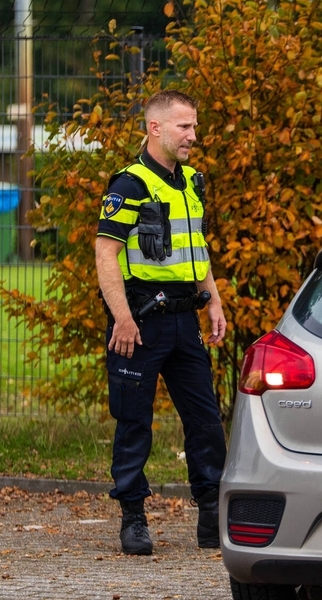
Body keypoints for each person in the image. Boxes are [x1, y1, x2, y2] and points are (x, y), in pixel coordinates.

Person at [95, 89, 228, 556]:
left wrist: (212, 300)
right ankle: (133, 517)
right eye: (184, 127)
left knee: (206, 420)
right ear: (155, 129)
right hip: (141, 319)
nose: (193, 135)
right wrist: (123, 318)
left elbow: (196, 248)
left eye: (194, 125)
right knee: (134, 422)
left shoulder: (192, 181)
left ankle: (212, 514)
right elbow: (106, 253)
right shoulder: (129, 184)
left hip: (184, 316)